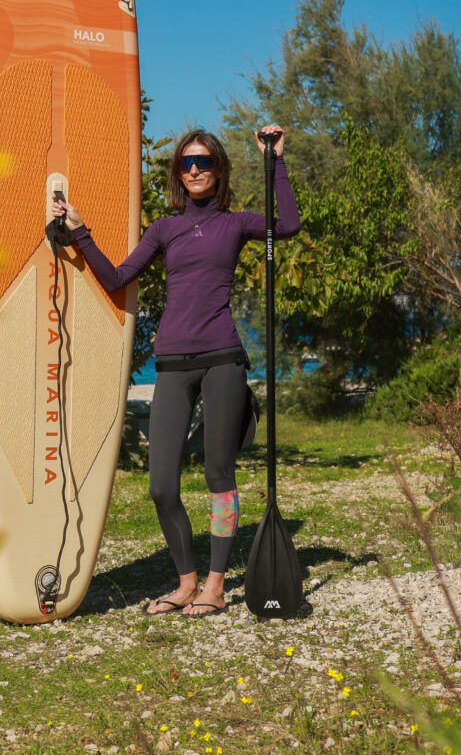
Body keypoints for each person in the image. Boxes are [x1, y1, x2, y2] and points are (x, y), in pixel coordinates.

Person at [52, 125, 299, 615]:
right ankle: (186, 583)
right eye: (187, 163)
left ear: (218, 170)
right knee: (161, 484)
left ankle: (215, 586)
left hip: (223, 358)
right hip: (172, 361)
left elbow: (287, 225)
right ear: (178, 173)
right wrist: (80, 231)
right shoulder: (164, 229)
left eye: (204, 162)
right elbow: (118, 278)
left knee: (218, 474)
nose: (195, 169)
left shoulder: (236, 224)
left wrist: (276, 162)